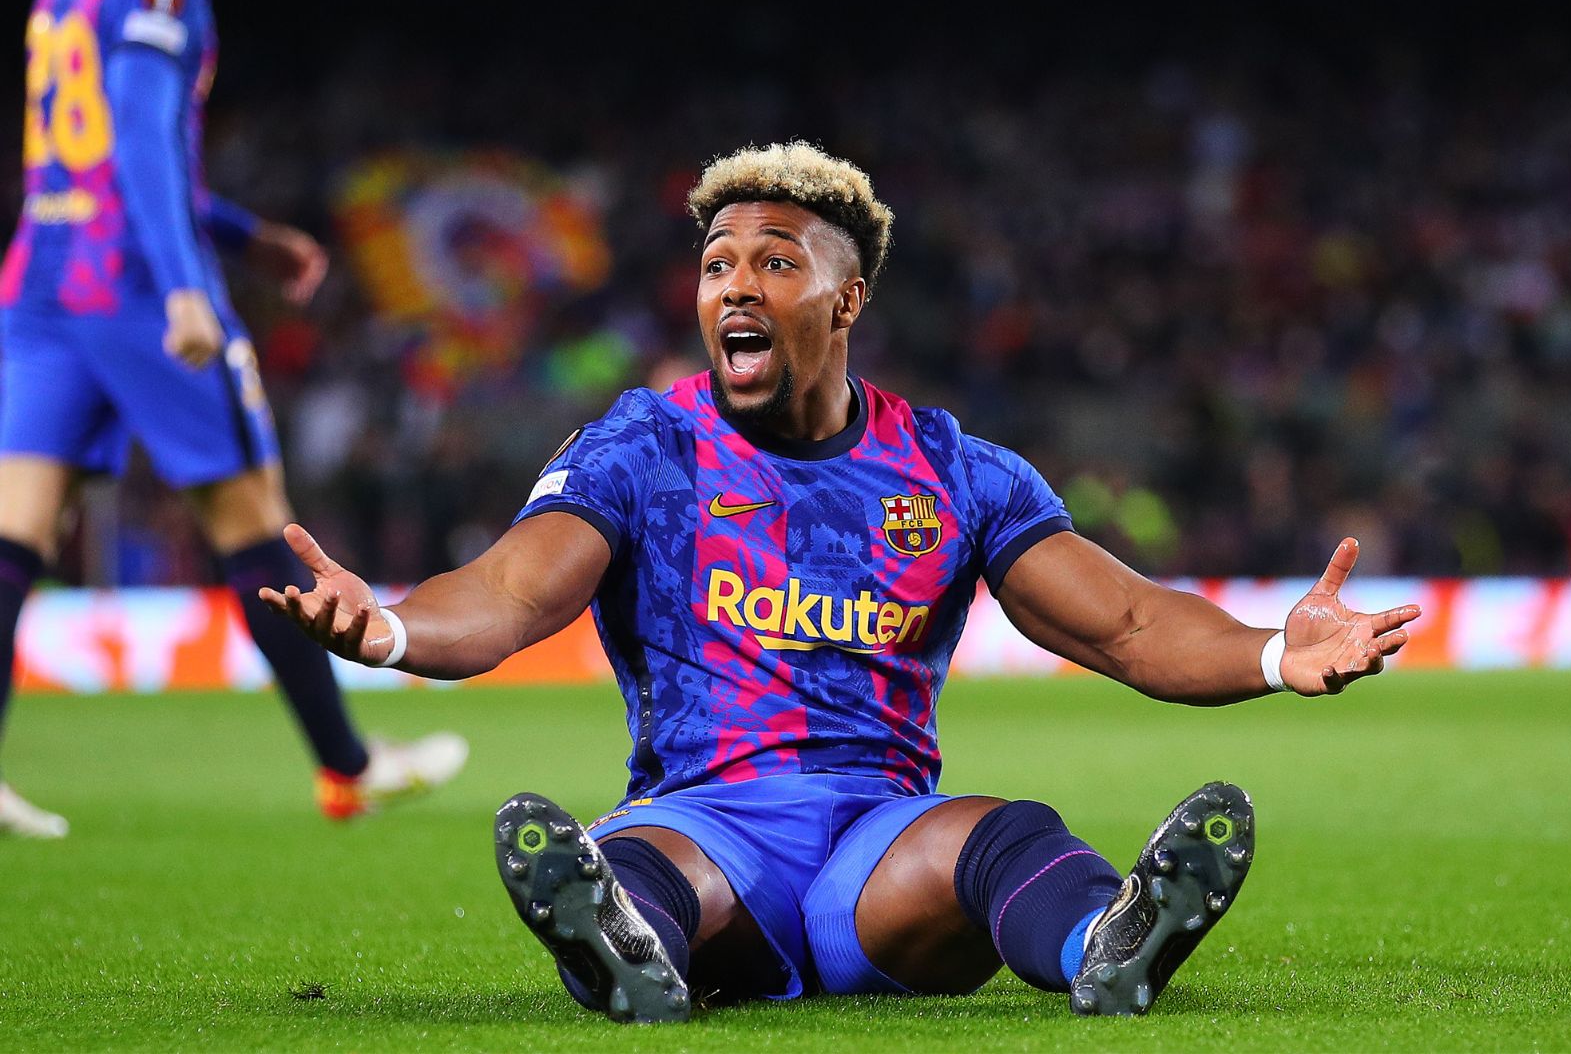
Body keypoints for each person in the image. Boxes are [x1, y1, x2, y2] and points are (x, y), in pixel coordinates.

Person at [262, 142, 1420, 1020]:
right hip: (706, 821)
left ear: (846, 299)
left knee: (1003, 837)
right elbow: (512, 593)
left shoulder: (953, 471)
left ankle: (1103, 945)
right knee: (633, 871)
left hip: (882, 842)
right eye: (716, 266)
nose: (736, 287)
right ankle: (621, 949)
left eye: (775, 262)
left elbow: (1122, 622)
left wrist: (1274, 653)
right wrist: (393, 629)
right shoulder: (642, 450)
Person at [0, 0, 466, 838]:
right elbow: (140, 138)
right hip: (135, 284)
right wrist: (184, 287)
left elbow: (90, 162)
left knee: (13, 533)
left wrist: (248, 239)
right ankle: (349, 767)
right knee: (254, 524)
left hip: (43, 281)